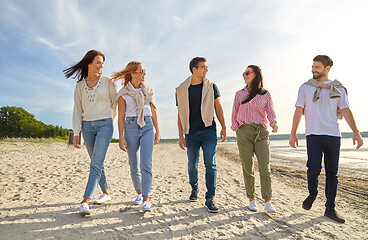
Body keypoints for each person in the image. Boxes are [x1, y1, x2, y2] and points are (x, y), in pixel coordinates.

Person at [289, 55, 364, 223]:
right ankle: (313, 194)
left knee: (332, 173)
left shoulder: (338, 89)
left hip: (333, 135)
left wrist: (356, 132)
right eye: (313, 66)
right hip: (313, 135)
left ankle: (330, 208)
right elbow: (298, 110)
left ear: (327, 68)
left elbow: (346, 111)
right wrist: (293, 133)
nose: (313, 69)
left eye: (317, 66)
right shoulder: (305, 88)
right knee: (313, 169)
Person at [64, 50, 117, 216]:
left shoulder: (109, 82)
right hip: (87, 126)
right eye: (98, 62)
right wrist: (76, 132)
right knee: (97, 162)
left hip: (105, 125)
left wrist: (110, 120)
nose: (101, 66)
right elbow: (77, 110)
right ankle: (106, 193)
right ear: (89, 63)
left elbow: (116, 103)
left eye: (102, 63)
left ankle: (85, 200)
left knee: (95, 164)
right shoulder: (79, 86)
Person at [176, 57, 226, 213]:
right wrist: (180, 135)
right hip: (190, 132)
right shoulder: (181, 89)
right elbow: (180, 114)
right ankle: (194, 188)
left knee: (210, 164)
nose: (206, 69)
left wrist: (224, 126)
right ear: (194, 69)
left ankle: (210, 197)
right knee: (192, 165)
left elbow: (218, 108)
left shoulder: (211, 86)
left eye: (207, 67)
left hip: (208, 130)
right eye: (203, 67)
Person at [111, 61, 160, 212]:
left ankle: (146, 199)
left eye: (144, 70)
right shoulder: (123, 93)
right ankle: (139, 193)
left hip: (147, 126)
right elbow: (120, 117)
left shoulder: (149, 90)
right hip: (130, 127)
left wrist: (157, 131)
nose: (144, 73)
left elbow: (153, 111)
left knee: (146, 164)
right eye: (141, 71)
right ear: (132, 73)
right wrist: (121, 137)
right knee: (134, 165)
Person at [231, 65, 278, 213]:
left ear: (256, 75)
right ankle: (251, 199)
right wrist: (236, 127)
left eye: (247, 73)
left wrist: (274, 123)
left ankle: (267, 201)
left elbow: (270, 111)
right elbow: (234, 112)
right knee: (248, 167)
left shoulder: (265, 94)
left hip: (261, 133)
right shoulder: (239, 94)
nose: (244, 75)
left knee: (265, 167)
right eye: (243, 73)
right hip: (244, 132)